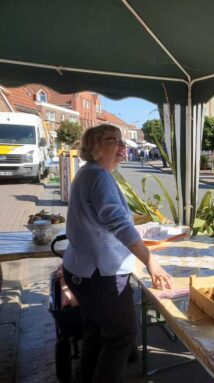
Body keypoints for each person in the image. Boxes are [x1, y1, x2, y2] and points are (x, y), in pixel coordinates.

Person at [62, 124, 173, 382]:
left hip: (83, 270)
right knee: (121, 337)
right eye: (115, 140)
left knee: (96, 332)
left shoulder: (89, 173)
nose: (123, 147)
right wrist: (150, 260)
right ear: (96, 146)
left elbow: (107, 217)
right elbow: (117, 223)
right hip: (100, 274)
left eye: (123, 142)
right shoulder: (98, 175)